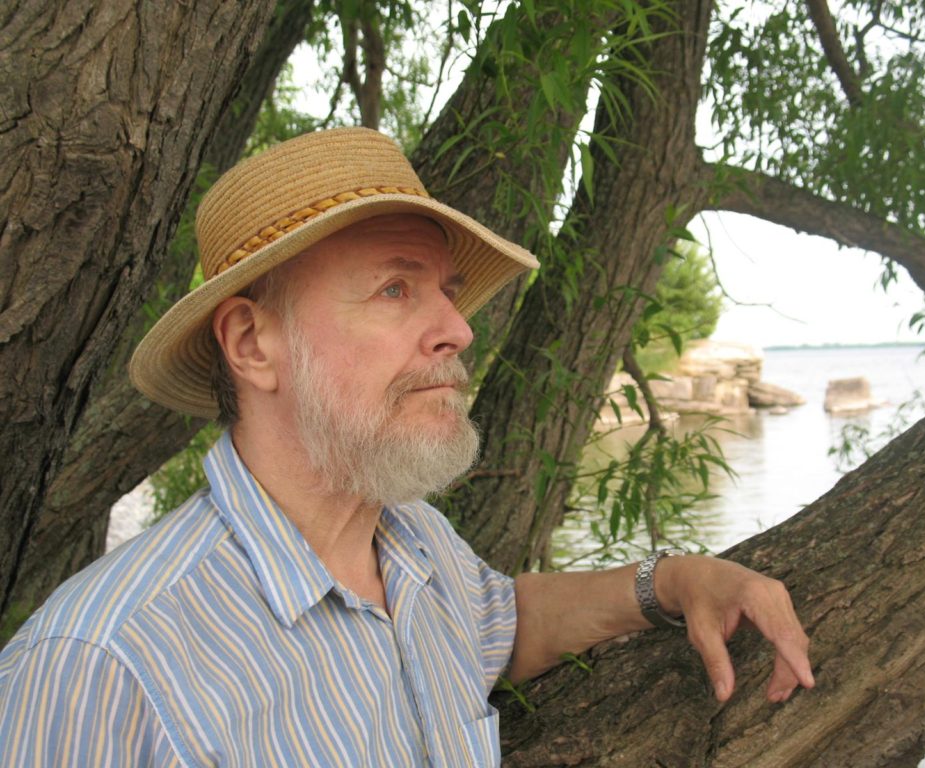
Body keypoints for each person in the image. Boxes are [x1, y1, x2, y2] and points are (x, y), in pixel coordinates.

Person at [0, 127, 813, 766]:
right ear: (252, 343)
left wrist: (670, 580)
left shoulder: (413, 539)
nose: (458, 330)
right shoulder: (100, 665)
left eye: (448, 295)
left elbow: (504, 623)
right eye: (396, 290)